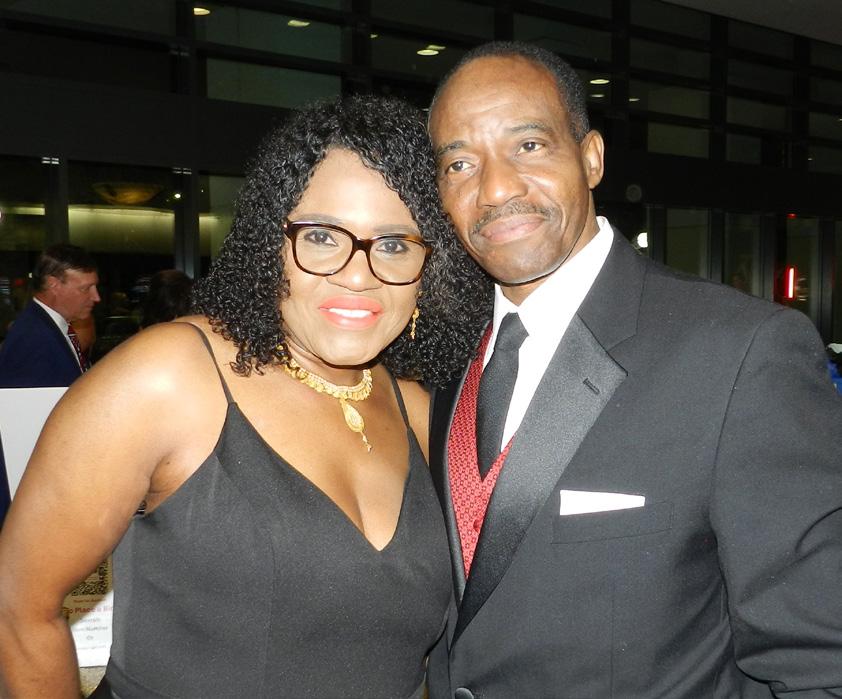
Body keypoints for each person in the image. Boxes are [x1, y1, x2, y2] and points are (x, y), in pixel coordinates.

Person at [0, 95, 489, 698]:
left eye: (394, 244)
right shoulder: (168, 377)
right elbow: (18, 606)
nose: (357, 274)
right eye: (321, 236)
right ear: (268, 243)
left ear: (429, 268)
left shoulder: (421, 408)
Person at [425, 41, 842, 697]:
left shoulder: (740, 352)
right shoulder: (443, 361)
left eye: (528, 146)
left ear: (591, 158)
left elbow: (822, 659)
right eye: (460, 163)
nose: (497, 187)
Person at [0, 244, 100, 387]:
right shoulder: (33, 338)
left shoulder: (42, 327)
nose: (96, 297)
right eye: (85, 288)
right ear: (53, 285)